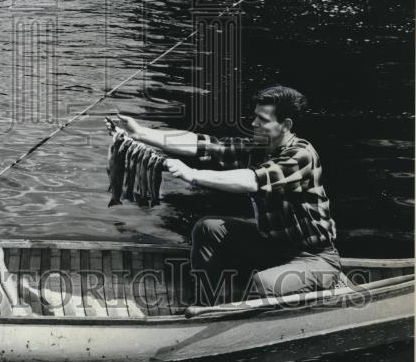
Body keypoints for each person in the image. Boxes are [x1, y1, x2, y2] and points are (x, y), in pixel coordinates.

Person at [114, 84, 341, 305]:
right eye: (255, 117)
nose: (253, 123)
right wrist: (141, 133)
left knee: (264, 283)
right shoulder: (259, 148)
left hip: (315, 258)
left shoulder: (301, 155)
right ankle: (204, 307)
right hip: (272, 247)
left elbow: (252, 180)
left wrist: (192, 174)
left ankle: (326, 284)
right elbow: (204, 144)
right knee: (208, 228)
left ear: (285, 124)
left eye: (262, 120)